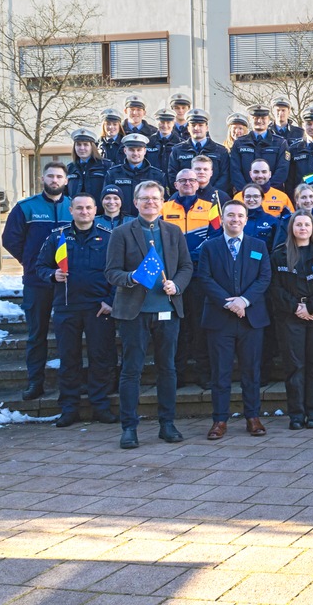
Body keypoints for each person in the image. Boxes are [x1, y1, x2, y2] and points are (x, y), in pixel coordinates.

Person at [104, 180, 193, 449]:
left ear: (163, 201)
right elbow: (111, 273)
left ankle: (167, 424)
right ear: (135, 202)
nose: (150, 202)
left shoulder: (174, 231)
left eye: (155, 198)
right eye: (145, 198)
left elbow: (187, 266)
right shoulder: (121, 232)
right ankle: (129, 427)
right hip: (134, 312)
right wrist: (132, 277)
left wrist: (176, 284)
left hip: (167, 310)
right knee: (132, 371)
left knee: (168, 369)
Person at [34, 192, 117, 426]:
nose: (84, 212)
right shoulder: (57, 237)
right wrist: (52, 274)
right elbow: (39, 266)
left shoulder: (108, 238)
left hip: (98, 308)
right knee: (69, 359)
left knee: (100, 359)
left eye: (88, 208)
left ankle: (100, 405)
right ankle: (69, 408)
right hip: (66, 307)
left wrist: (111, 300)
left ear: (95, 210)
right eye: (79, 208)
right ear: (70, 211)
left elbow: (117, 273)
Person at [194, 199, 272, 439]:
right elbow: (204, 278)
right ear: (223, 218)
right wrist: (229, 303)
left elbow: (264, 277)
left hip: (251, 318)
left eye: (240, 216)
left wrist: (244, 301)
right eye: (230, 215)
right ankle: (219, 420)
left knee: (251, 371)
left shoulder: (258, 245)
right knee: (221, 372)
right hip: (220, 319)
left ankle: (253, 417)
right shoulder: (209, 246)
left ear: (246, 219)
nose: (235, 219)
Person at [2, 161, 72, 401]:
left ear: (66, 181)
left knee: (69, 335)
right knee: (36, 334)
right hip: (37, 282)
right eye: (50, 176)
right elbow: (10, 239)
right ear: (43, 179)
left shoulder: (75, 207)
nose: (54, 180)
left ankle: (69, 384)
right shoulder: (26, 208)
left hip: (67, 282)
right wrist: (32, 262)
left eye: (59, 177)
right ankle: (35, 382)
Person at [270, 212, 313, 429]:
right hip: (290, 318)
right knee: (294, 367)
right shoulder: (279, 255)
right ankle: (297, 415)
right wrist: (296, 308)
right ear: (291, 228)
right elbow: (274, 287)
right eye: (298, 224)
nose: (303, 228)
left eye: (307, 224)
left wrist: (311, 307)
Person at [161, 168, 221, 388]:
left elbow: (215, 238)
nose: (187, 183)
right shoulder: (164, 208)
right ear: (175, 185)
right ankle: (177, 374)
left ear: (198, 184)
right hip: (172, 277)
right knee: (176, 327)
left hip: (199, 276)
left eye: (192, 180)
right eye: (182, 180)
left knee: (200, 325)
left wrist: (188, 257)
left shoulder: (210, 208)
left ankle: (204, 374)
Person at [168, 109, 231, 194]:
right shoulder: (177, 150)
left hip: (213, 198)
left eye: (200, 125)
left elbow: (225, 176)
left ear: (207, 128)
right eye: (193, 125)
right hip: (186, 197)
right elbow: (173, 175)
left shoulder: (220, 151)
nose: (197, 128)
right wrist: (188, 192)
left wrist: (210, 193)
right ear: (188, 128)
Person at [230, 104, 291, 192]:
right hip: (245, 195)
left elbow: (282, 170)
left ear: (269, 120)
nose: (259, 121)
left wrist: (267, 190)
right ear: (250, 119)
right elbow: (235, 171)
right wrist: (247, 191)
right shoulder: (239, 143)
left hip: (273, 196)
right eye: (255, 118)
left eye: (263, 118)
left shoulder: (280, 143)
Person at [104, 133, 168, 216]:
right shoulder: (113, 174)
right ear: (125, 151)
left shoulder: (158, 175)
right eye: (131, 150)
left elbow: (163, 202)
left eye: (139, 150)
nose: (135, 153)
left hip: (148, 221)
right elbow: (106, 200)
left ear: (145, 151)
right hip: (121, 222)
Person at [66, 128, 111, 202]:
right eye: (78, 145)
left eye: (86, 145)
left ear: (92, 147)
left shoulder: (106, 166)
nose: (82, 148)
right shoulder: (70, 168)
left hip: (99, 212)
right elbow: (65, 194)